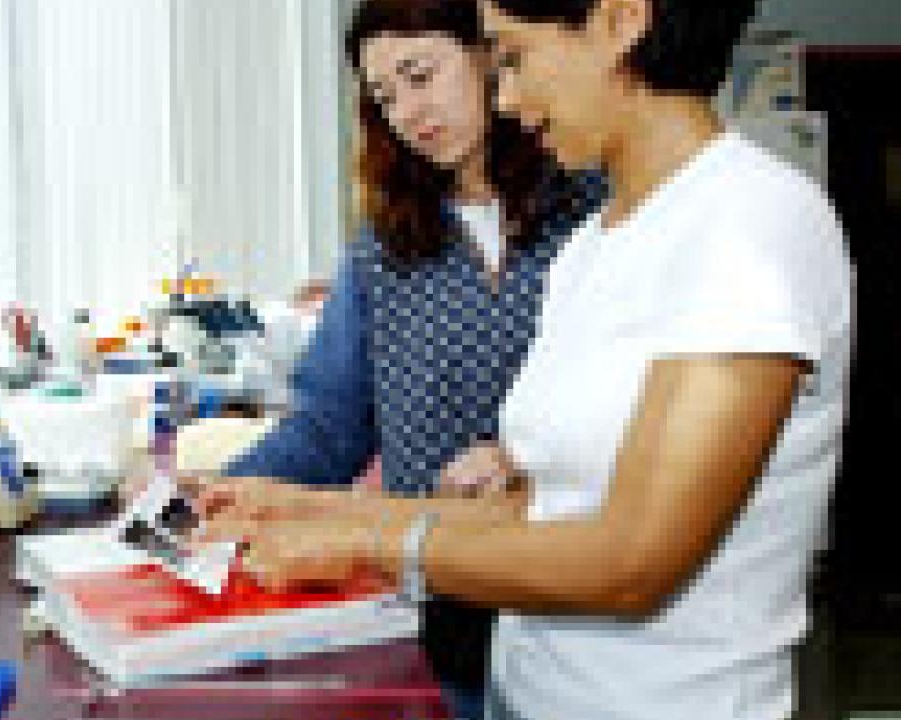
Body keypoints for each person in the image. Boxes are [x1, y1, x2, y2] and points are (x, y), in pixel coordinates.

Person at [197, 1, 854, 719]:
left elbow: (633, 561)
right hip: (532, 690)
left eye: (512, 56)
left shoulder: (749, 223)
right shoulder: (597, 247)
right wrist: (308, 505)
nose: (505, 95)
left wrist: (366, 540)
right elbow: (546, 506)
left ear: (620, 20)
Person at [212, 0, 603, 716]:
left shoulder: (599, 212)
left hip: (578, 597)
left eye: (422, 75)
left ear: (489, 53)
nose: (408, 112)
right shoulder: (386, 249)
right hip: (435, 602)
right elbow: (326, 431)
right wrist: (212, 499)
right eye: (385, 96)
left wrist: (521, 457)